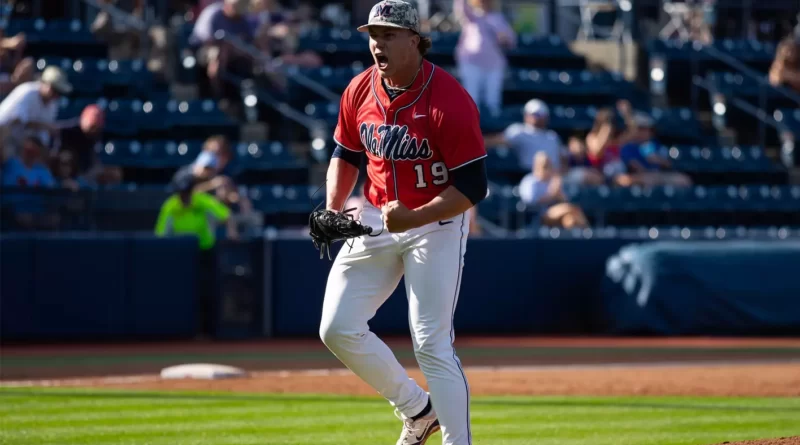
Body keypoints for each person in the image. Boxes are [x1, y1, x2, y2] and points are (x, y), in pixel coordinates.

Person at [318, 1, 488, 444]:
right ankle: (417, 409)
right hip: (375, 217)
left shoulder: (449, 99)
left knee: (431, 344)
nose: (378, 44)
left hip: (436, 221)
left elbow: (473, 187)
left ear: (415, 40)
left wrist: (416, 216)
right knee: (336, 327)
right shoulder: (359, 89)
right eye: (373, 35)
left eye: (388, 35)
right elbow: (346, 152)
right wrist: (333, 206)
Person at [453, 0, 515, 116]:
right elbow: (461, 9)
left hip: (493, 64)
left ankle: (492, 123)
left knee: (493, 100)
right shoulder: (472, 15)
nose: (484, 2)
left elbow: (511, 41)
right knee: (472, 98)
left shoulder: (498, 18)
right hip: (471, 61)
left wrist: (504, 39)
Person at [484, 98, 566, 172]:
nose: (537, 118)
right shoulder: (519, 131)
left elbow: (563, 158)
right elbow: (496, 141)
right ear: (526, 115)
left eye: (540, 115)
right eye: (534, 114)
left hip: (554, 176)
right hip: (530, 174)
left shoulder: (553, 136)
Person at [518, 151, 588, 229]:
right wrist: (552, 193)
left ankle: (583, 234)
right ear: (536, 166)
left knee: (570, 220)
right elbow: (531, 201)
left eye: (549, 166)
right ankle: (588, 231)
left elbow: (564, 200)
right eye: (544, 166)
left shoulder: (553, 180)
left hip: (556, 213)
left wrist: (558, 191)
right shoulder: (529, 181)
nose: (547, 169)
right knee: (571, 208)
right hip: (538, 215)